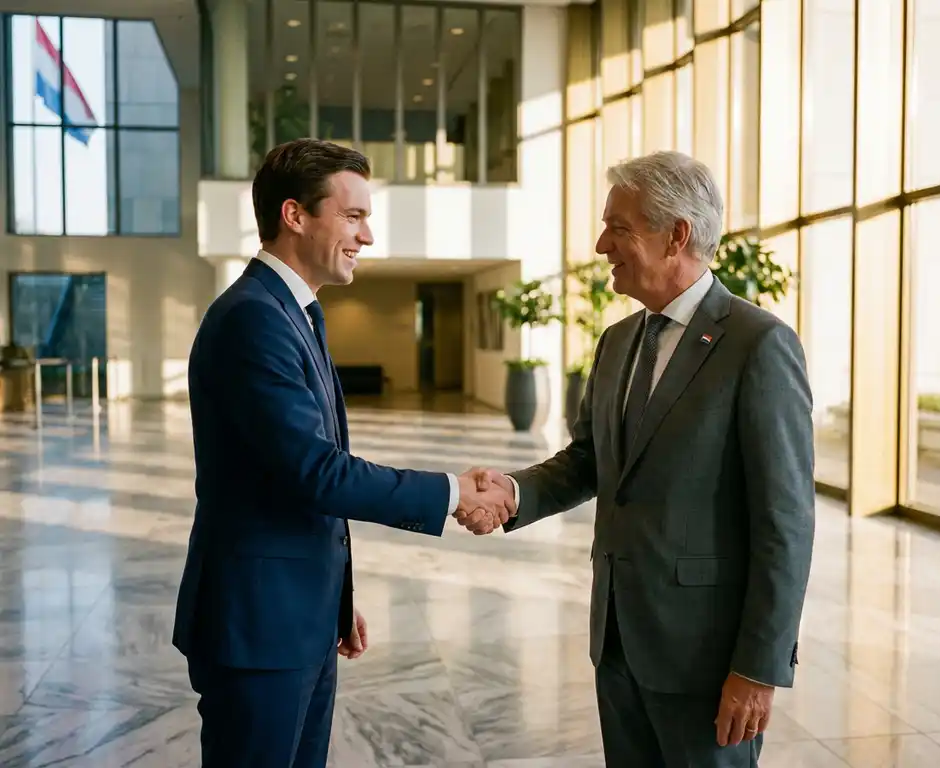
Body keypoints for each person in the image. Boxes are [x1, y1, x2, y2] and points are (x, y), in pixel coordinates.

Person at [467, 151, 815, 767]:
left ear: (676, 234)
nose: (602, 244)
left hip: (707, 659)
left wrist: (758, 669)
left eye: (619, 227)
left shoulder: (758, 344)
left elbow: (785, 523)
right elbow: (589, 461)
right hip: (619, 642)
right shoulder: (619, 341)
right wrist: (511, 494)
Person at [172, 139, 512, 768]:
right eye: (353, 217)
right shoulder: (254, 318)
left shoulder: (294, 312)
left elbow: (289, 477)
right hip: (258, 626)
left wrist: (333, 597)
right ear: (294, 215)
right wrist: (452, 493)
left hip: (297, 614)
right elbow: (315, 472)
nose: (368, 236)